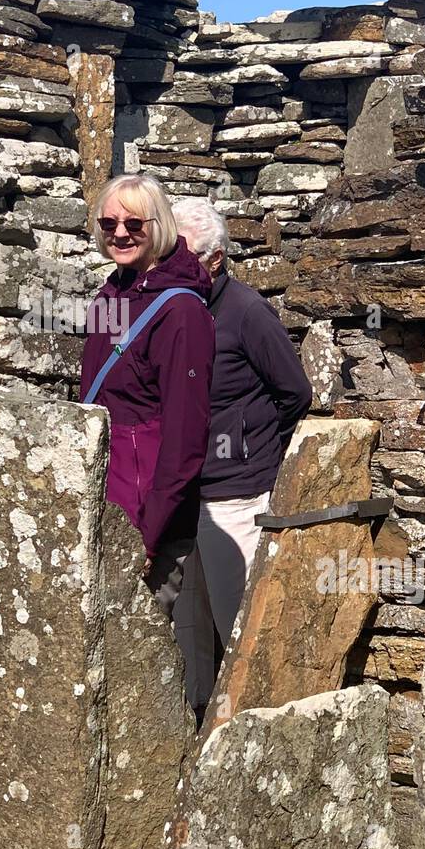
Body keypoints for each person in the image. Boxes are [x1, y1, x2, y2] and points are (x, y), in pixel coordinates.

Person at [172, 197, 313, 722]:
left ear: (216, 258)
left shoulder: (248, 311)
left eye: (183, 256)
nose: (171, 265)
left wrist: (250, 448)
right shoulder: (171, 308)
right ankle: (195, 743)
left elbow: (294, 391)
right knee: (189, 635)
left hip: (236, 495)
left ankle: (249, 742)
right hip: (185, 496)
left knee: (239, 628)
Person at [79, 173, 215, 634]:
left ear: (159, 226)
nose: (119, 233)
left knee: (136, 650)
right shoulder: (111, 292)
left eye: (135, 224)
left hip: (146, 523)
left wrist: (148, 536)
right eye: (108, 222)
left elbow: (185, 437)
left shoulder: (182, 313)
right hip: (104, 503)